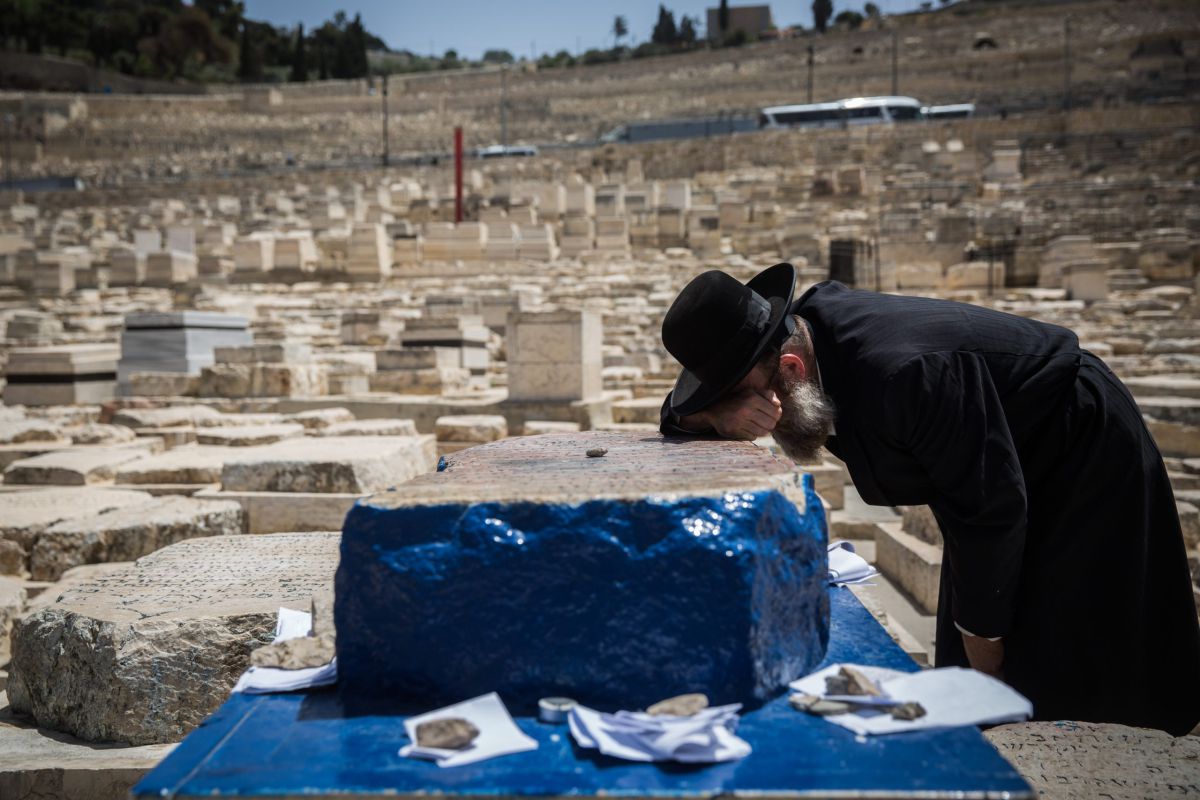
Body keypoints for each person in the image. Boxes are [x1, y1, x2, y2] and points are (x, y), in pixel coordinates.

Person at [659, 262, 1200, 736]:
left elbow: (990, 508)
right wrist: (708, 413)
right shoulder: (803, 340)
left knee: (1058, 660)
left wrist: (985, 647)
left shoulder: (904, 371)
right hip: (989, 475)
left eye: (740, 395)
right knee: (974, 661)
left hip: (1079, 457)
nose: (752, 421)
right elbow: (686, 409)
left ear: (792, 372)